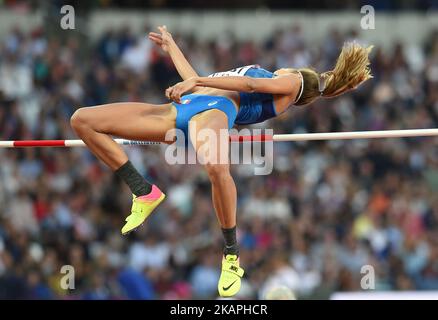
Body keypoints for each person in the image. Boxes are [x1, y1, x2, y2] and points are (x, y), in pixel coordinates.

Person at [70, 25, 372, 297]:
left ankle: (231, 255)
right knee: (83, 120)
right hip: (182, 107)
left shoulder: (292, 83)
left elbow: (247, 88)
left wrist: (196, 81)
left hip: (214, 112)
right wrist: (172, 47)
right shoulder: (262, 76)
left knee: (216, 167)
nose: (283, 68)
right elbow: (195, 84)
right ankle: (143, 190)